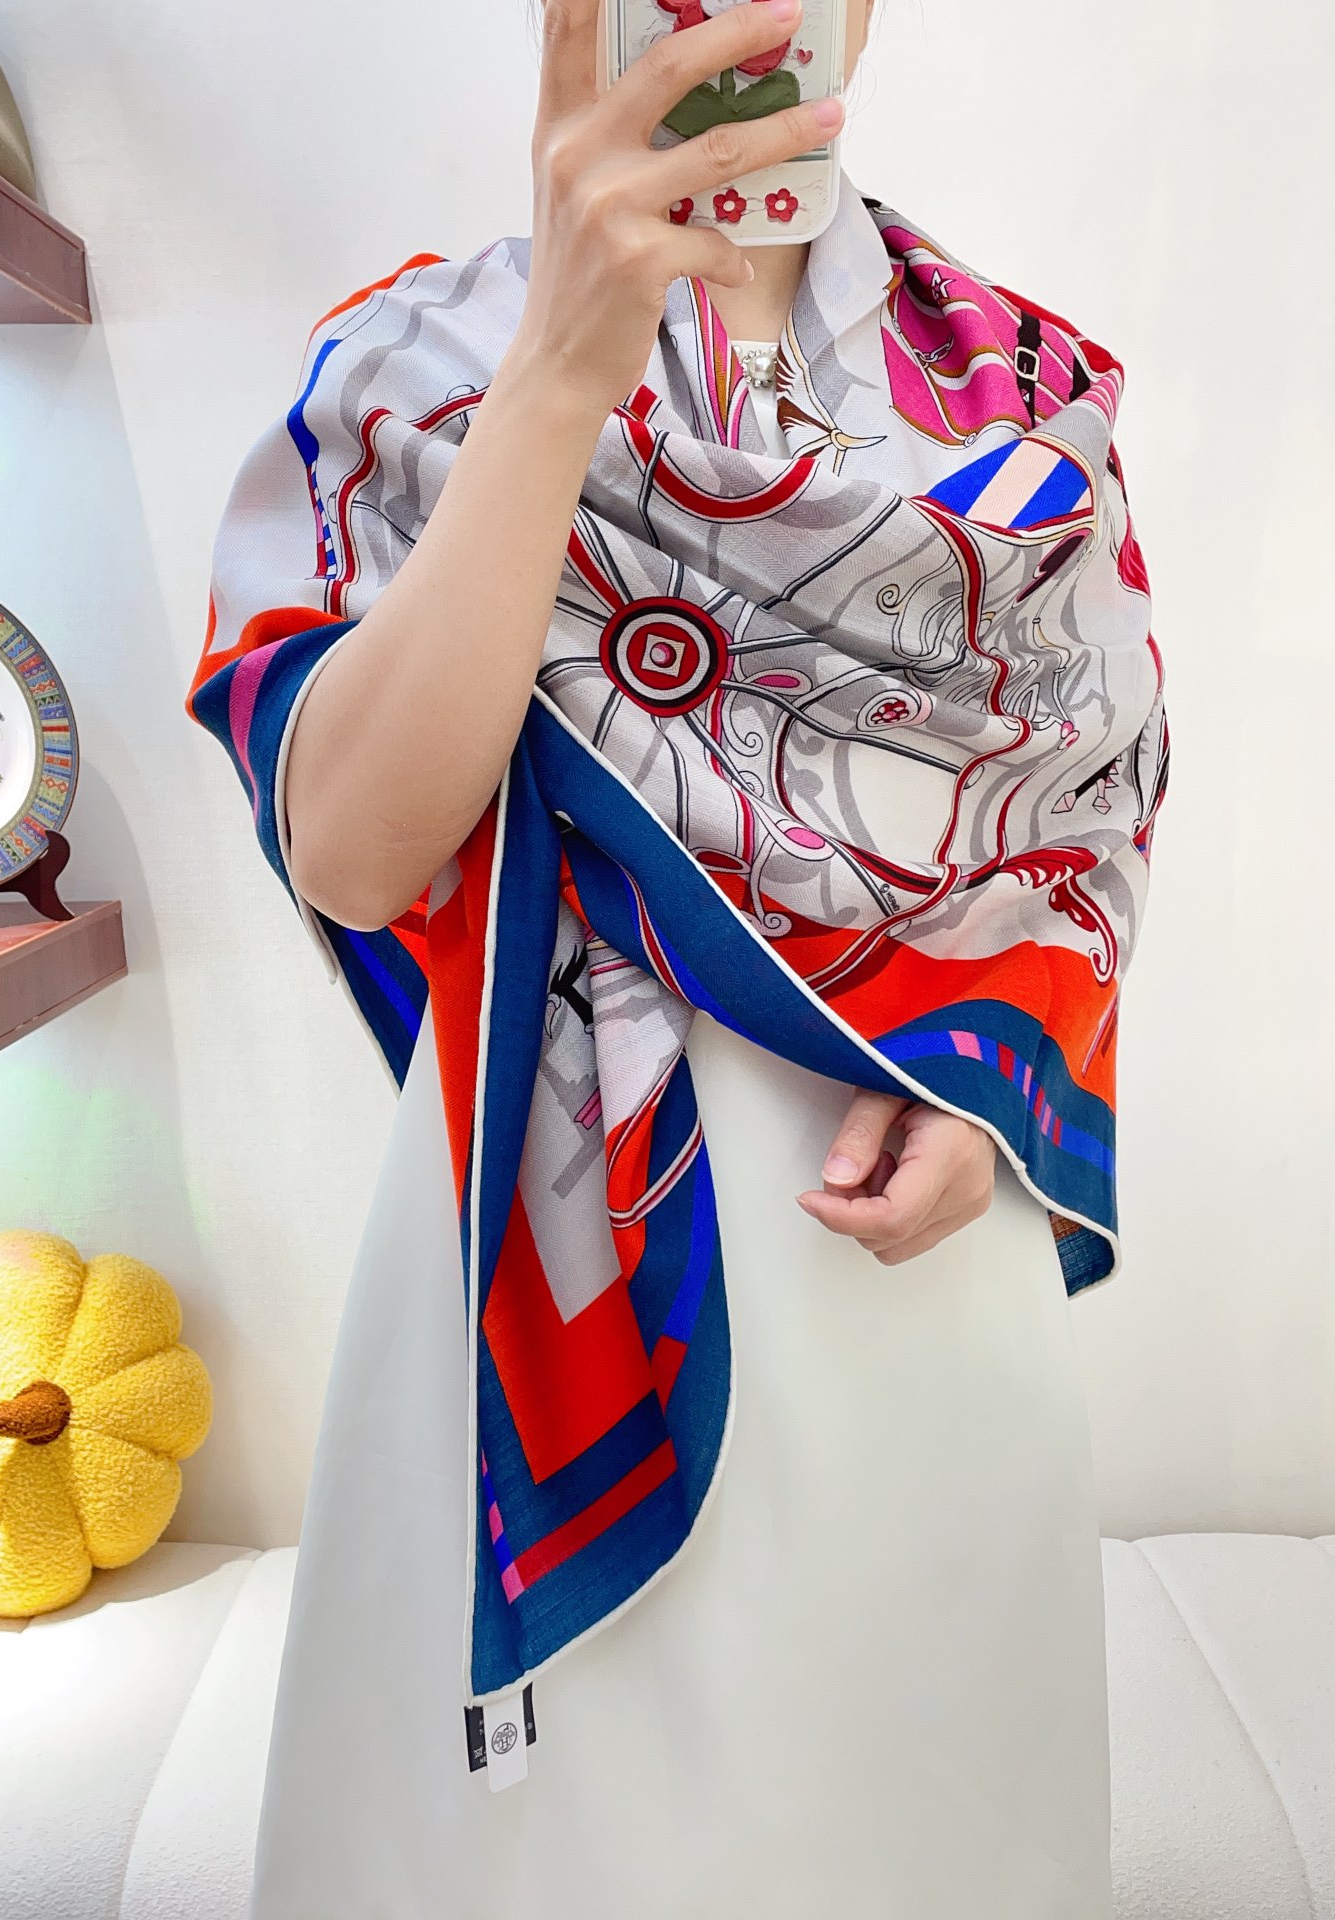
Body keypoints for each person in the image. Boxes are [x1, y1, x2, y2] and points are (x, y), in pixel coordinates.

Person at [186, 0, 1167, 1911]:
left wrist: (995, 1096)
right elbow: (357, 850)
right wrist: (564, 363)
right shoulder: (413, 362)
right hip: (536, 1238)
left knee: (919, 1834)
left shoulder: (1031, 394)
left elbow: (1089, 826)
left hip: (915, 1264)